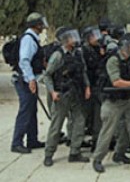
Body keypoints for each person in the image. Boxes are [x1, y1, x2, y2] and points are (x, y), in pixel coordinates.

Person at [92, 37, 130, 173]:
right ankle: (97, 159)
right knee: (107, 132)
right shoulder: (113, 60)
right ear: (124, 48)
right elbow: (116, 82)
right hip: (112, 102)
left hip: (126, 100)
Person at [43, 28, 91, 166]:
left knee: (80, 122)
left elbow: (83, 72)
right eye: (71, 37)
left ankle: (75, 151)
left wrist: (87, 87)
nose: (74, 39)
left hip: (76, 93)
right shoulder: (58, 56)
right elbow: (47, 76)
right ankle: (49, 153)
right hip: (62, 94)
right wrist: (52, 92)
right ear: (65, 40)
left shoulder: (78, 54)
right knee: (56, 125)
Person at [11, 12, 48, 154]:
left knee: (32, 110)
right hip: (24, 80)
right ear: (37, 25)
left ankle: (32, 140)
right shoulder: (28, 39)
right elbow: (24, 61)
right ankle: (16, 143)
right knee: (25, 111)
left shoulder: (33, 38)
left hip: (28, 79)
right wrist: (31, 79)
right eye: (41, 23)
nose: (43, 26)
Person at [81, 26, 104, 151]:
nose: (97, 38)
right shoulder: (83, 51)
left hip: (96, 86)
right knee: (84, 116)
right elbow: (84, 70)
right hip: (88, 87)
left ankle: (96, 141)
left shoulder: (97, 49)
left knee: (97, 116)